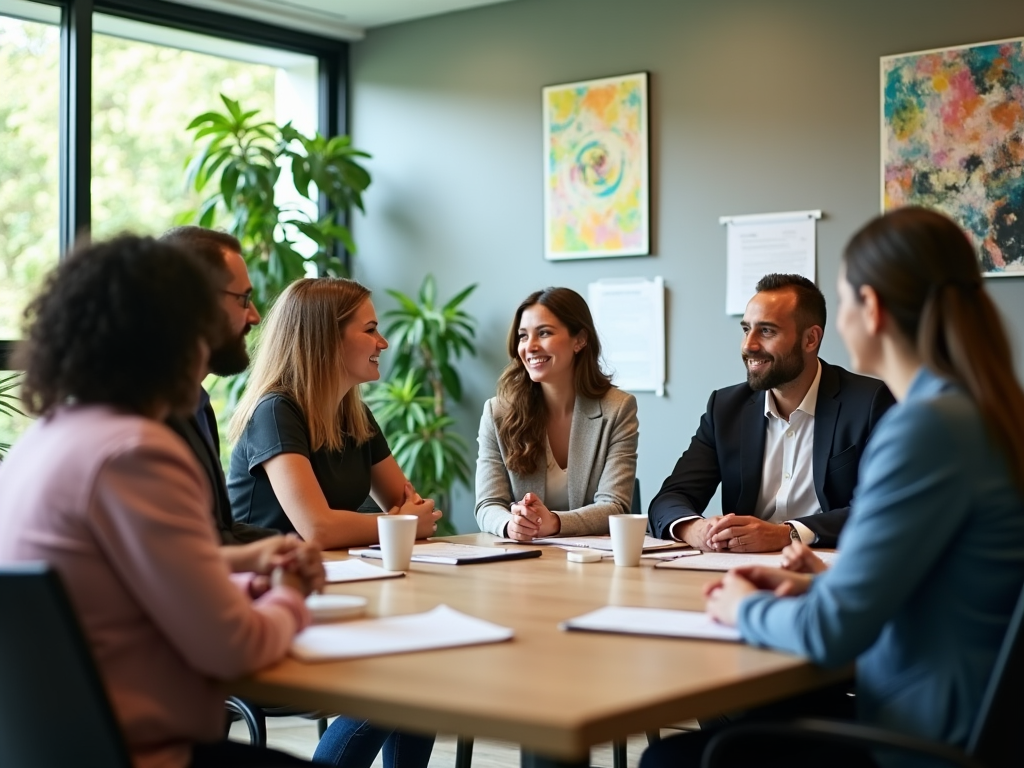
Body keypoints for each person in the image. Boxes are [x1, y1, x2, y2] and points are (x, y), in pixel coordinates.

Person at [644, 208, 1024, 768]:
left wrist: (743, 606)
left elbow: (833, 634)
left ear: (868, 309)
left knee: (673, 761)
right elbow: (938, 572)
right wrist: (823, 579)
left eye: (844, 302)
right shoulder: (982, 410)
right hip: (974, 721)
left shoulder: (923, 426)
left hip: (918, 736)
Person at [0, 235, 318, 768]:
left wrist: (239, 568)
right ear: (173, 337)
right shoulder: (135, 451)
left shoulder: (45, 440)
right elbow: (233, 648)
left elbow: (114, 580)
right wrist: (290, 595)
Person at [226, 276, 437, 768]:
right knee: (405, 677)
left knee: (420, 664)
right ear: (326, 338)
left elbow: (412, 508)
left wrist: (402, 520)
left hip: (334, 590)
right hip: (268, 602)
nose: (383, 342)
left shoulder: (354, 414)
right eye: (370, 330)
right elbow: (317, 529)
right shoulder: (275, 411)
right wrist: (398, 523)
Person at [648, 274, 894, 552]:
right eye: (746, 329)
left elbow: (885, 506)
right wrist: (695, 529)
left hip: (827, 569)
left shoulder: (870, 402)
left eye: (766, 331)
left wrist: (787, 534)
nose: (748, 345)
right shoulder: (726, 407)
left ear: (810, 339)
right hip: (739, 568)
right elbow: (669, 498)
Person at [159, 226, 319, 582]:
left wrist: (284, 550)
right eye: (243, 299)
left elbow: (217, 533)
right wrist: (288, 594)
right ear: (194, 304)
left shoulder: (194, 406)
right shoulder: (142, 427)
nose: (256, 317)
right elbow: (181, 568)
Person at [475, 287, 639, 540]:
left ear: (580, 340)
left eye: (544, 333)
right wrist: (511, 524)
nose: (530, 347)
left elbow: (615, 505)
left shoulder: (618, 409)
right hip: (522, 563)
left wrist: (554, 522)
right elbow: (488, 504)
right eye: (523, 336)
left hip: (592, 565)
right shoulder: (497, 412)